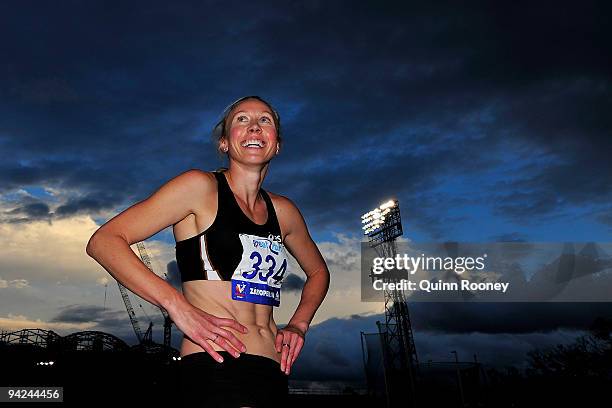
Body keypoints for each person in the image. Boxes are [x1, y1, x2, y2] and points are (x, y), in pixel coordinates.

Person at [86, 95, 330, 407]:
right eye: (242, 119)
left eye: (265, 120)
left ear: (277, 144)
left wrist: (299, 324)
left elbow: (318, 272)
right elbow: (104, 241)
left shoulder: (284, 211)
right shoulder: (199, 188)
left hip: (273, 369)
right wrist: (177, 307)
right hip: (214, 364)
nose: (254, 126)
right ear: (225, 143)